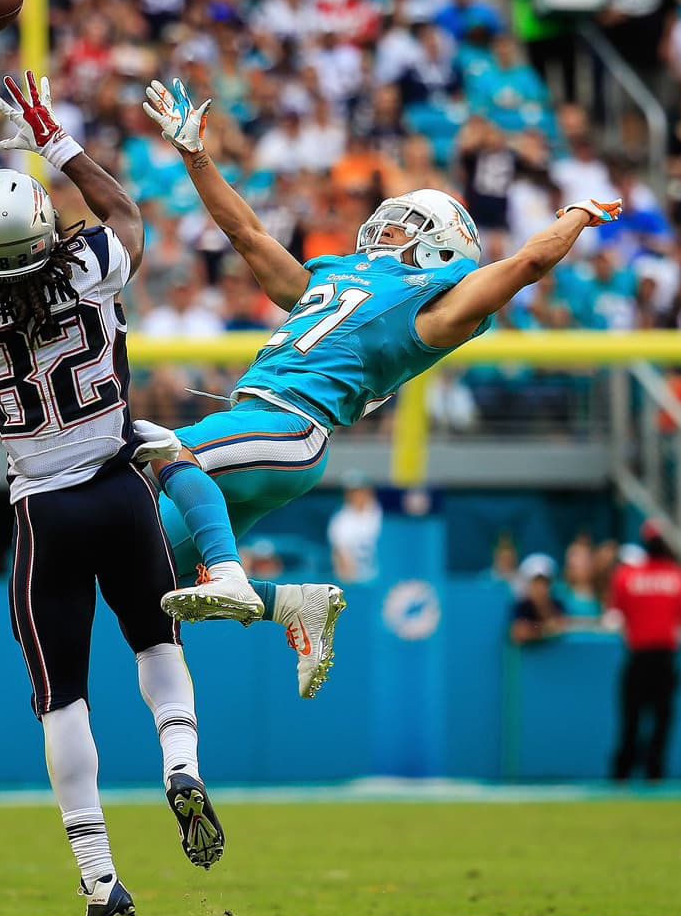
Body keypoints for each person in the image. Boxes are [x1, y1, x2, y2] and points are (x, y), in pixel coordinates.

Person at [141, 77, 621, 693]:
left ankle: (232, 573)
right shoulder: (332, 276)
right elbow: (249, 237)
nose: (388, 229)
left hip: (289, 427)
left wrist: (575, 214)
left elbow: (526, 264)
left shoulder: (435, 308)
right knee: (149, 572)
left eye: (408, 225)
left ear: (442, 250)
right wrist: (196, 157)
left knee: (153, 449)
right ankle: (289, 603)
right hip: (257, 430)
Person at [0, 71, 234, 916]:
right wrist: (51, 140)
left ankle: (100, 877)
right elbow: (121, 211)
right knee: (159, 644)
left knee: (63, 698)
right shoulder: (93, 264)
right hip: (119, 490)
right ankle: (182, 765)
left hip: (44, 510)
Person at [606, 522, 681, 782]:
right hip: (665, 659)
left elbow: (618, 613)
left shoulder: (627, 576)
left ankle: (622, 775)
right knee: (661, 722)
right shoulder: (679, 576)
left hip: (638, 657)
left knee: (631, 720)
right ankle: (654, 774)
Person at [327, 471, 382, 584]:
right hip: (358, 582)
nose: (355, 496)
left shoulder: (383, 513)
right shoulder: (340, 521)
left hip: (385, 578)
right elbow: (341, 557)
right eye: (351, 492)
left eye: (359, 491)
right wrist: (353, 583)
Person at [509, 552, 565, 643]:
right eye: (536, 582)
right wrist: (546, 629)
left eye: (545, 583)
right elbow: (521, 633)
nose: (540, 588)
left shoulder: (557, 604)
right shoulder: (522, 607)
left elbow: (563, 626)